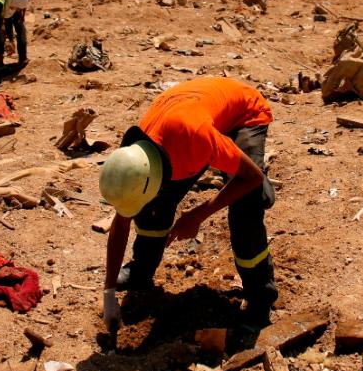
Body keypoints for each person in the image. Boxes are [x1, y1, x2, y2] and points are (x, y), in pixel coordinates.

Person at [99, 77, 277, 333]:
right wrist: (109, 292)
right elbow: (122, 220)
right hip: (197, 117)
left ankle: (260, 299)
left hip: (242, 114)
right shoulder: (134, 158)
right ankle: (141, 271)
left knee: (245, 206)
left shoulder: (195, 138)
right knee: (152, 206)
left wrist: (197, 215)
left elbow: (251, 177)